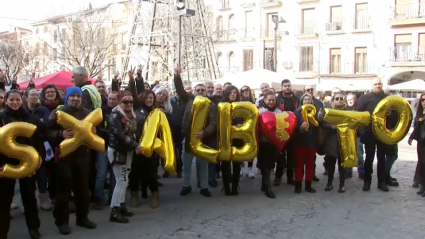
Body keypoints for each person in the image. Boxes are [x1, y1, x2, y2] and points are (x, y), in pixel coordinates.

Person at [46, 87, 97, 235]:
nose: (75, 98)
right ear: (67, 98)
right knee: (64, 193)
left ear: (82, 98)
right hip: (64, 158)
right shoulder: (57, 113)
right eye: (72, 96)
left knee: (83, 191)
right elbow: (47, 132)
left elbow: (94, 133)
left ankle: (82, 218)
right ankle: (62, 222)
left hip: (83, 157)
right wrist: (60, 133)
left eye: (78, 96)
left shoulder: (87, 113)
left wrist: (94, 132)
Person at [0, 90, 45, 239]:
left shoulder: (31, 119)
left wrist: (40, 157)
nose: (15, 102)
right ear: (6, 101)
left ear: (22, 100)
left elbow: (40, 141)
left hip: (28, 163)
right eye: (11, 100)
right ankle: (2, 231)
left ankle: (34, 228)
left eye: (17, 99)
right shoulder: (1, 118)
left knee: (29, 197)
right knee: (4, 200)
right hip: (5, 163)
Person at [174, 65, 215, 197]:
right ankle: (186, 186)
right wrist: (177, 76)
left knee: (203, 164)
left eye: (203, 90)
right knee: (186, 164)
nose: (201, 91)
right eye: (198, 90)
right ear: (194, 91)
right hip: (188, 138)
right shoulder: (189, 100)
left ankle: (203, 187)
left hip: (204, 139)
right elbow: (180, 90)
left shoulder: (211, 104)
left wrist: (205, 133)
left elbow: (214, 122)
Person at [356, 78, 396, 192]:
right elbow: (358, 114)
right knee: (369, 158)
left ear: (382, 85)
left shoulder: (388, 98)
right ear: (372, 85)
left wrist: (390, 114)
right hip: (369, 132)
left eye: (379, 84)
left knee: (382, 158)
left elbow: (396, 116)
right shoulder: (365, 98)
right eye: (375, 84)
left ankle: (381, 182)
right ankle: (367, 182)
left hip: (383, 132)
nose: (377, 86)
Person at [108, 91, 142, 223]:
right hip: (118, 150)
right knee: (120, 180)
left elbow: (133, 132)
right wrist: (135, 145)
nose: (128, 104)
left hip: (127, 150)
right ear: (120, 102)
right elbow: (118, 134)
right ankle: (114, 211)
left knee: (125, 179)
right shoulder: (116, 114)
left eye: (131, 102)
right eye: (125, 102)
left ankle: (121, 206)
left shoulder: (130, 114)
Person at [24, 89, 53, 211]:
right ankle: (25, 201)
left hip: (39, 145)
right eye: (32, 95)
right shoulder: (22, 111)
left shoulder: (43, 110)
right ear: (26, 98)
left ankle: (44, 198)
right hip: (24, 146)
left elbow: (45, 125)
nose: (35, 97)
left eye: (36, 95)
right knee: (25, 175)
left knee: (41, 172)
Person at [93, 91, 119, 210]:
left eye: (114, 99)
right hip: (103, 146)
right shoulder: (101, 111)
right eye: (110, 99)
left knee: (115, 174)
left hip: (116, 147)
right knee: (101, 174)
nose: (112, 101)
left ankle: (112, 197)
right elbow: (97, 128)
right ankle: (98, 197)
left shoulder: (121, 112)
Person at [293, 93, 321, 194]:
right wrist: (300, 128)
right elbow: (293, 129)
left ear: (312, 102)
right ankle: (298, 185)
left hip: (312, 142)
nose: (307, 101)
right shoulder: (296, 113)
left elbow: (319, 127)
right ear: (301, 102)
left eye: (309, 99)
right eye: (305, 100)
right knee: (299, 165)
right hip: (300, 142)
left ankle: (308, 185)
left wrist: (319, 119)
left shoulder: (315, 113)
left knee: (310, 165)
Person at [257, 92, 282, 198]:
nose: (271, 102)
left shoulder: (279, 111)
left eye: (273, 100)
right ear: (265, 100)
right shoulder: (259, 111)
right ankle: (268, 188)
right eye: (269, 100)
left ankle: (264, 184)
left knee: (271, 164)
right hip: (263, 142)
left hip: (274, 143)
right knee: (264, 165)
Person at [275, 79, 299, 186]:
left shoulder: (296, 98)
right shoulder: (277, 99)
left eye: (289, 85)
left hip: (294, 131)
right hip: (281, 130)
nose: (287, 87)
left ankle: (290, 177)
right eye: (285, 86)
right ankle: (278, 177)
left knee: (292, 156)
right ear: (282, 87)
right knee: (280, 155)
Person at [220, 86, 243, 196]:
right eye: (231, 92)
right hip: (225, 138)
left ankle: (235, 186)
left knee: (237, 164)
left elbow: (246, 119)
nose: (233, 94)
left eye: (235, 92)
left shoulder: (241, 106)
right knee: (225, 163)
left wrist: (242, 125)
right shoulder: (221, 105)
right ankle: (226, 186)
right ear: (227, 93)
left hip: (238, 139)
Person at [323, 93, 346, 193]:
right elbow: (323, 123)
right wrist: (330, 126)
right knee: (330, 164)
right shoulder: (328, 111)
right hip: (331, 141)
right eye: (337, 98)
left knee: (342, 165)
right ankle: (329, 183)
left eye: (341, 98)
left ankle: (342, 184)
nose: (339, 100)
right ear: (333, 100)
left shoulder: (348, 110)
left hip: (344, 141)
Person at [303, 85, 323, 182]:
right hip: (302, 137)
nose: (310, 91)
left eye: (311, 89)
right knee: (301, 159)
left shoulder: (319, 103)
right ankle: (300, 177)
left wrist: (319, 118)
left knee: (312, 158)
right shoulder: (300, 106)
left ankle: (311, 175)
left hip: (314, 135)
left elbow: (322, 119)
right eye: (308, 90)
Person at [409, 93, 425, 196]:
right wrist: (411, 137)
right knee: (422, 164)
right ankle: (422, 186)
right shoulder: (420, 113)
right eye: (423, 100)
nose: (424, 102)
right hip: (421, 143)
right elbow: (417, 128)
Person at [346, 93, 365, 179]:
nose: (350, 101)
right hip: (348, 136)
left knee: (359, 155)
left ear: (356, 100)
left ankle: (361, 172)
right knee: (349, 154)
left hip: (358, 136)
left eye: (351, 99)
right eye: (348, 100)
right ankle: (348, 171)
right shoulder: (344, 110)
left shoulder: (360, 109)